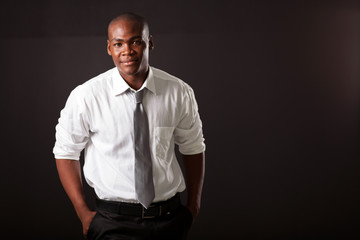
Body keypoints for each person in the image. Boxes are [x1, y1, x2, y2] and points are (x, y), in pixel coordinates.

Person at [53, 12, 205, 240]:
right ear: (109, 48)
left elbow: (193, 147)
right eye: (118, 44)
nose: (127, 51)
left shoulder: (179, 92)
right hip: (112, 222)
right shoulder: (86, 96)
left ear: (150, 42)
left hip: (169, 219)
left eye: (135, 41)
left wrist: (193, 207)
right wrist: (83, 213)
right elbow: (65, 151)